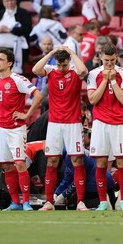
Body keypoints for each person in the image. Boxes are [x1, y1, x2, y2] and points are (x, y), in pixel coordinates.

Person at [0, 48, 43, 211]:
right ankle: (15, 202)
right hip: (0, 129)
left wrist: (27, 114)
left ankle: (26, 203)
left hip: (16, 129)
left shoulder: (18, 79)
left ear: (10, 63)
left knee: (20, 164)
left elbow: (38, 95)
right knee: (7, 167)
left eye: (1, 59)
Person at [32, 46, 89, 211]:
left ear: (69, 61)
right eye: (59, 64)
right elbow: (36, 69)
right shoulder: (51, 71)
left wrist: (72, 53)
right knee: (52, 161)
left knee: (77, 160)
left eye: (64, 64)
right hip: (55, 123)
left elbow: (84, 70)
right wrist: (50, 54)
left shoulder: (74, 72)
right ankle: (49, 201)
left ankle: (80, 202)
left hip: (73, 123)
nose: (62, 68)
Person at [87, 43, 123, 211]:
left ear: (116, 57)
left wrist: (113, 81)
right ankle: (103, 202)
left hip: (119, 122)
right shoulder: (93, 74)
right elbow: (92, 100)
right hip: (100, 123)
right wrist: (104, 81)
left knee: (122, 162)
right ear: (100, 57)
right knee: (101, 162)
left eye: (112, 60)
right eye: (106, 60)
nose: (109, 64)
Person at [0, 0, 32, 74]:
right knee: (1, 74)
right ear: (3, 2)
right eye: (7, 1)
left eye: (12, 0)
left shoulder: (23, 13)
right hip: (0, 50)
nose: (10, 3)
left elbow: (27, 29)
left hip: (18, 52)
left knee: (17, 76)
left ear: (16, 0)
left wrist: (9, 30)